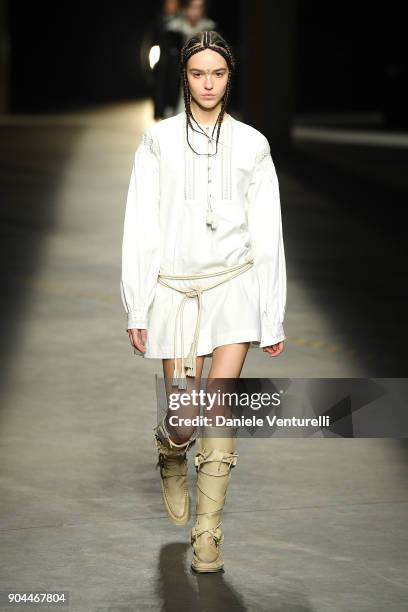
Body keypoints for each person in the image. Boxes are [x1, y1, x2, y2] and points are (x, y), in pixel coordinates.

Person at [120, 30, 287, 573]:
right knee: (185, 415)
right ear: (184, 77)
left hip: (232, 284)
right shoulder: (159, 142)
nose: (208, 83)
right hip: (175, 287)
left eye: (218, 73)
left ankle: (208, 532)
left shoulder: (253, 145)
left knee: (218, 402)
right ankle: (171, 450)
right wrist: (138, 305)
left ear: (229, 77)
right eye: (198, 73)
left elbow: (268, 233)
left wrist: (272, 313)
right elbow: (140, 226)